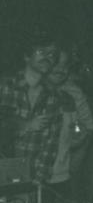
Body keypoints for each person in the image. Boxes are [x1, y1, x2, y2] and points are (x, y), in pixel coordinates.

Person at [0, 35, 64, 183]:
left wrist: (39, 179)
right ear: (26, 56)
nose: (47, 57)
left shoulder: (53, 97)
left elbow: (51, 144)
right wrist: (26, 125)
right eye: (41, 52)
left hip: (29, 178)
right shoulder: (5, 86)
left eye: (52, 54)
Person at [45, 49, 93, 202]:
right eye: (56, 63)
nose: (61, 69)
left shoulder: (73, 92)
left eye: (65, 65)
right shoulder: (29, 89)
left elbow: (85, 127)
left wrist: (74, 163)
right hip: (31, 174)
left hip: (63, 175)